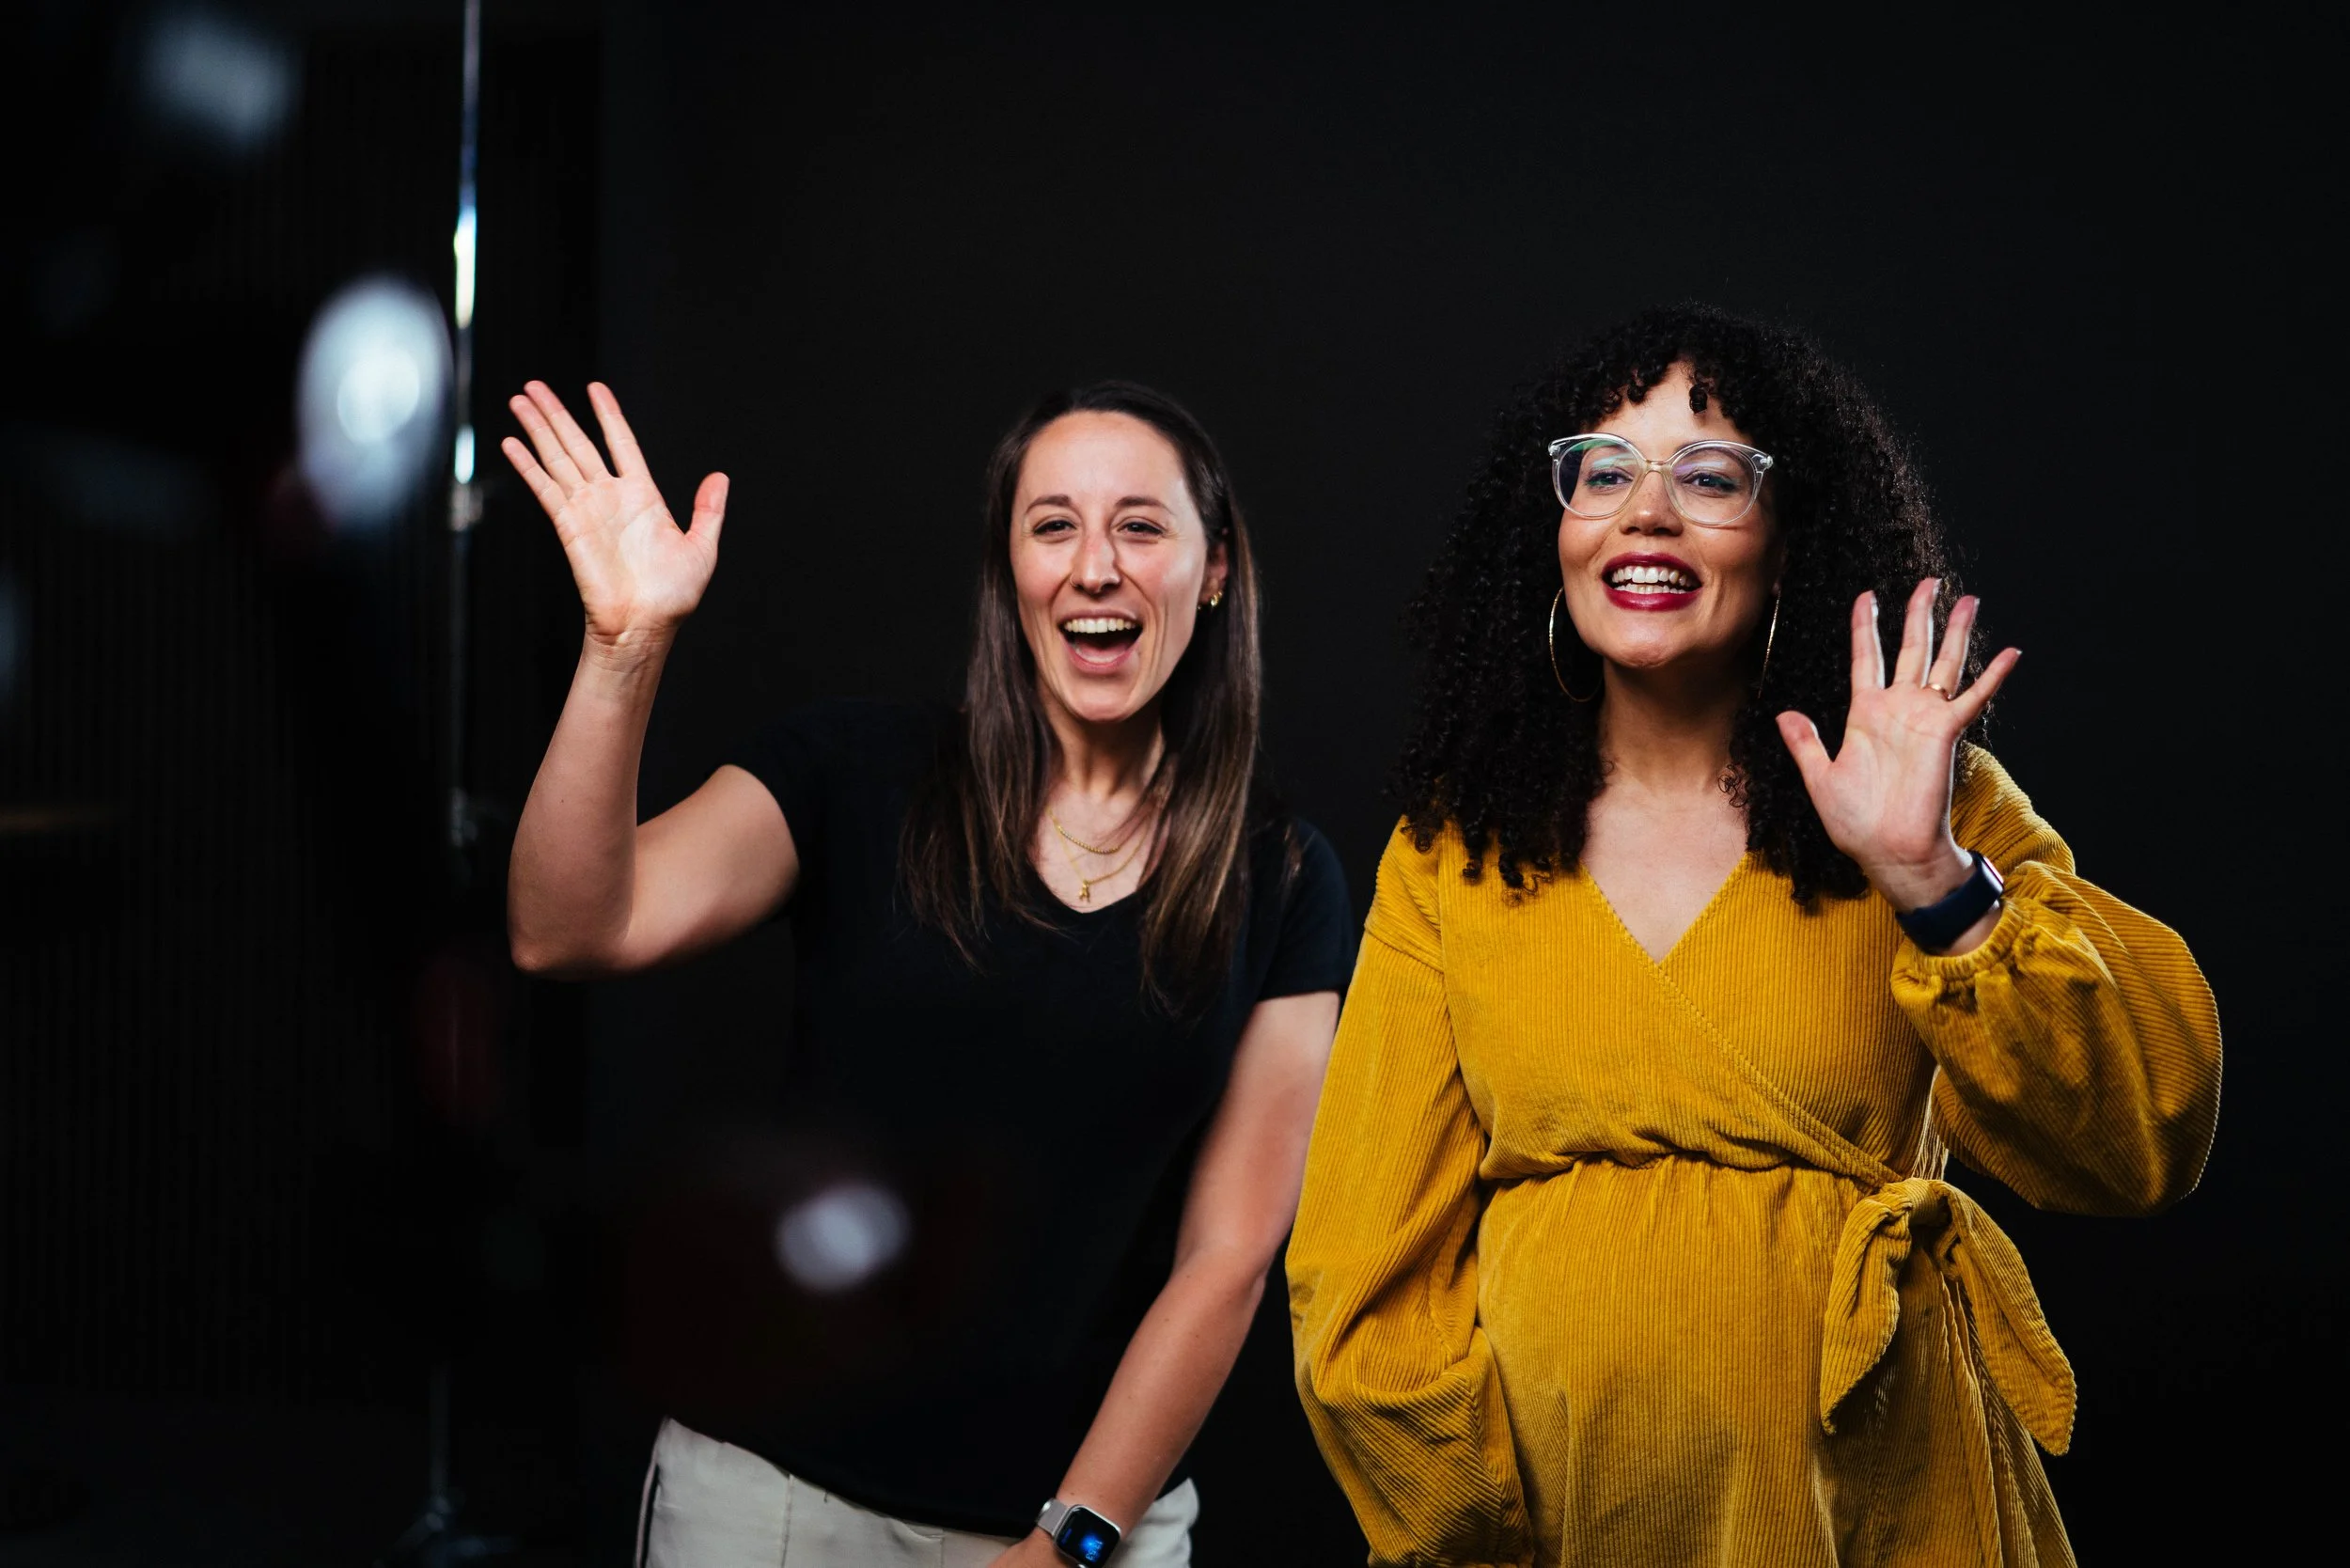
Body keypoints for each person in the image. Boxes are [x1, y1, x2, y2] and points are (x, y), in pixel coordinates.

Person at [1286, 305, 2221, 1566]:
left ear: (1792, 543)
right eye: (1602, 471)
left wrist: (1930, 877)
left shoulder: (1927, 802)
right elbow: (1356, 1267)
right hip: (1559, 1533)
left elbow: (2138, 1138)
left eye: (1710, 476)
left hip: (1883, 1513)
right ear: (1552, 538)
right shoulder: (1453, 853)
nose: (1646, 511)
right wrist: (1471, 1513)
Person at [500, 377, 1349, 1568]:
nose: (1094, 566)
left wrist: (1075, 1542)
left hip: (1086, 1527)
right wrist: (623, 648)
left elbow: (1230, 1255)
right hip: (775, 1507)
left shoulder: (1285, 878)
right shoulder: (852, 773)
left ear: (1214, 570)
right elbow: (568, 927)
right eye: (1052, 525)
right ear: (1011, 576)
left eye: (1141, 525)